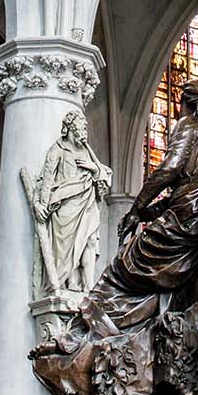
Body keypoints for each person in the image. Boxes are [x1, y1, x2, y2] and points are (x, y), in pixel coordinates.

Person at [83, 77, 198, 333]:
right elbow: (182, 192)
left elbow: (169, 170)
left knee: (125, 265)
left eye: (180, 103)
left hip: (185, 218)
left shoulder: (189, 125)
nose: (177, 109)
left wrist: (136, 208)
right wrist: (146, 212)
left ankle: (104, 326)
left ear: (189, 104)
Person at [27, 111, 113, 296]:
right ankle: (69, 282)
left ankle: (88, 288)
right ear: (72, 128)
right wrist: (39, 204)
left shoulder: (87, 151)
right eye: (82, 126)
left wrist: (92, 168)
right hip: (65, 206)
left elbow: (104, 173)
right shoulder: (58, 150)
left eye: (85, 127)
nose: (85, 130)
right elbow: (46, 180)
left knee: (90, 241)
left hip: (87, 201)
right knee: (67, 246)